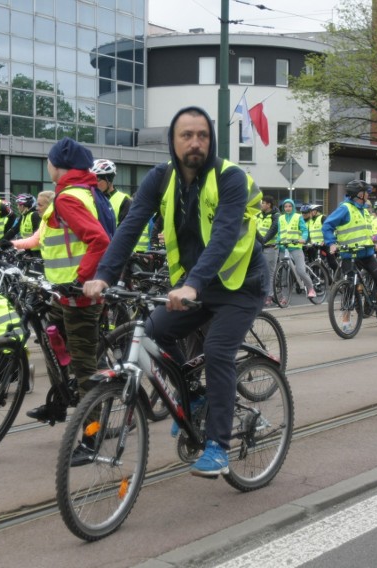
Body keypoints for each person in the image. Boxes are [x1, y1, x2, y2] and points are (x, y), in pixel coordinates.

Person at [85, 106, 266, 477]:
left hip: (239, 285)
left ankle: (218, 445)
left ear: (211, 139)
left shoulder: (230, 177)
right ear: (173, 140)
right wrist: (104, 275)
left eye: (202, 135)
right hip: (193, 286)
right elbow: (131, 226)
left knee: (216, 350)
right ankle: (194, 397)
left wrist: (192, 285)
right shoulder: (159, 178)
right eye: (187, 135)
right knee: (152, 332)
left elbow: (224, 236)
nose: (195, 142)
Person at [25, 137, 110, 424]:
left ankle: (92, 432)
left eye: (48, 160)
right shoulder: (83, 191)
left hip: (78, 294)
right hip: (62, 292)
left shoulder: (69, 197)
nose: (46, 165)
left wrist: (81, 279)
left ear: (58, 165)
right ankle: (59, 402)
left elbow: (99, 240)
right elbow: (58, 240)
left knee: (84, 366)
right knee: (51, 341)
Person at [322, 180, 377, 331]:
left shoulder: (365, 210)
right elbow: (327, 225)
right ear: (360, 194)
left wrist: (375, 243)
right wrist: (331, 243)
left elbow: (366, 232)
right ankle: (346, 321)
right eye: (367, 192)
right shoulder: (345, 209)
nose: (368, 195)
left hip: (366, 252)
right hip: (349, 254)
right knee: (348, 286)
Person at [277, 198, 317, 299]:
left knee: (300, 271)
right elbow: (279, 233)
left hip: (295, 248)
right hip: (283, 248)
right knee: (284, 275)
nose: (287, 208)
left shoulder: (298, 217)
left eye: (290, 206)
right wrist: (277, 243)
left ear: (293, 207)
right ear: (283, 208)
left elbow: (304, 230)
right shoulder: (280, 218)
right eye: (285, 206)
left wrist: (303, 239)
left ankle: (311, 288)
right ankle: (285, 297)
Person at [91, 158, 132, 226]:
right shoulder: (91, 197)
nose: (94, 183)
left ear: (109, 180)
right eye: (92, 180)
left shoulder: (124, 201)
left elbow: (126, 230)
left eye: (98, 180)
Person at [255, 195, 279, 305]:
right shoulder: (258, 215)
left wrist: (262, 240)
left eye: (263, 203)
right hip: (259, 247)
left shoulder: (276, 216)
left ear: (269, 205)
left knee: (269, 272)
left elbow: (272, 231)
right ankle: (262, 294)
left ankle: (269, 296)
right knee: (258, 272)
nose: (261, 205)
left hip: (270, 247)